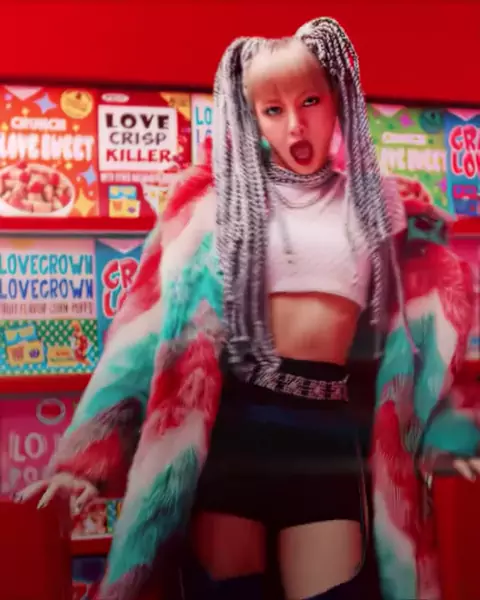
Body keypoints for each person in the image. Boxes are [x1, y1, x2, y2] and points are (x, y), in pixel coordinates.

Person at [18, 17, 479, 600]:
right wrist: (84, 461)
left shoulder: (380, 205)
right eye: (273, 109)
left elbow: (419, 350)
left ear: (337, 100)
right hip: (237, 431)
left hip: (326, 437)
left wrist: (453, 440)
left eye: (310, 101)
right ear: (252, 117)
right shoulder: (212, 206)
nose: (295, 124)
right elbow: (146, 337)